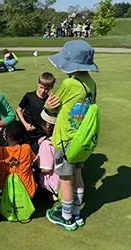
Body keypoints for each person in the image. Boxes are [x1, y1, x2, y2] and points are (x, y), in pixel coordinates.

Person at [45, 40, 99, 230]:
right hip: (80, 141)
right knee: (78, 174)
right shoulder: (91, 83)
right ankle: (76, 212)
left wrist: (47, 105)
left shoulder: (69, 83)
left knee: (65, 179)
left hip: (66, 139)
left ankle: (66, 217)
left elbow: (52, 106)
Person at [0, 121, 37, 199]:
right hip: (28, 193)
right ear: (22, 137)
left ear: (6, 136)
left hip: (8, 193)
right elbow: (35, 162)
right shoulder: (26, 148)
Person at [16, 72, 56, 154]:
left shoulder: (50, 101)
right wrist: (25, 124)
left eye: (46, 89)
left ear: (51, 87)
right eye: (41, 87)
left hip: (40, 134)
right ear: (38, 83)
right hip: (26, 132)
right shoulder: (29, 96)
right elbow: (18, 110)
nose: (43, 91)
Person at [36, 110, 59, 202]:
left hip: (55, 184)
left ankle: (52, 192)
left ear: (48, 125)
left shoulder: (46, 144)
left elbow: (46, 169)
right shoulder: (65, 138)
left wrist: (35, 164)